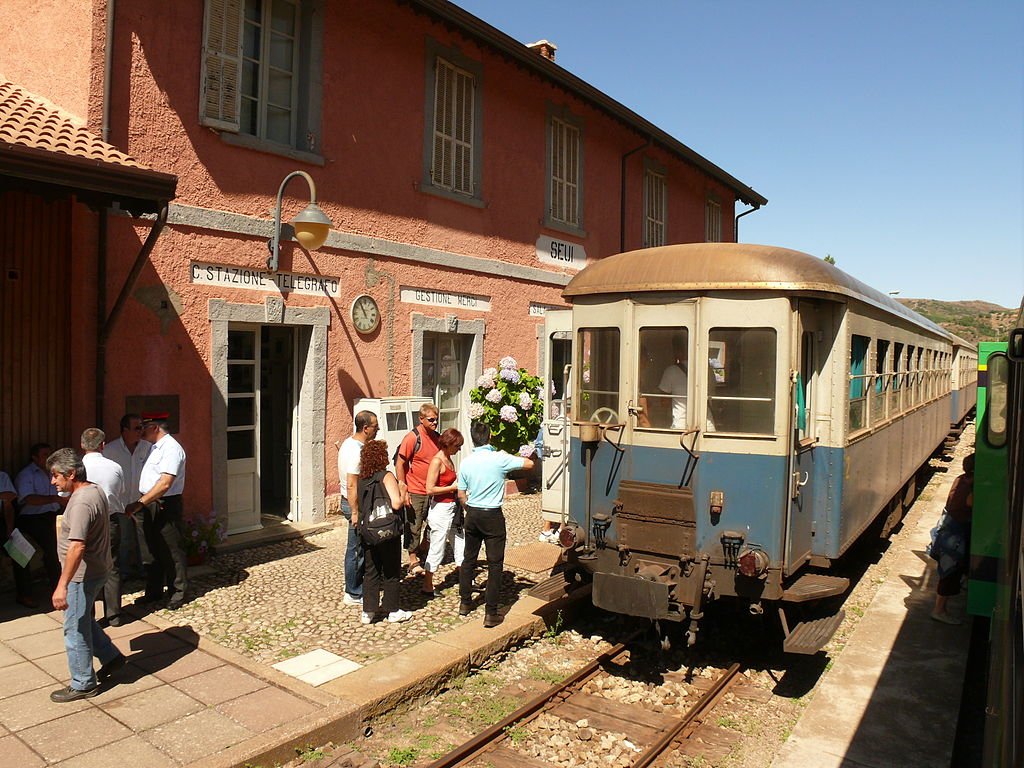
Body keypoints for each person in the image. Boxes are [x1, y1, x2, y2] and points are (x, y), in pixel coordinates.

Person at [46, 448, 126, 702]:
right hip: (97, 568)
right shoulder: (95, 489)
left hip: (82, 575)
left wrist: (62, 585)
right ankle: (112, 657)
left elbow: (77, 546)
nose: (53, 481)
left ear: (71, 474)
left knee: (75, 628)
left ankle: (83, 683)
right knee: (83, 619)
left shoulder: (81, 502)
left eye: (56, 475)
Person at [457, 422, 534, 628]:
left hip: (473, 512)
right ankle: (491, 612)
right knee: (495, 563)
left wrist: (469, 509)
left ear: (472, 438)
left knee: (468, 559)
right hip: (492, 514)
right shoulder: (499, 458)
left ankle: (465, 602)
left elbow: (461, 494)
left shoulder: (466, 462)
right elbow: (528, 464)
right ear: (490, 437)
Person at [126, 415, 188, 609]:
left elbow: (165, 483)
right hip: (149, 502)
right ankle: (154, 591)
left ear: (154, 427)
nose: (140, 431)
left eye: (142, 427)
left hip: (163, 503)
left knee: (171, 549)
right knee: (150, 549)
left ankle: (178, 592)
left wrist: (140, 503)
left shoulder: (171, 449)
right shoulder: (153, 448)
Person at [355, 440, 412, 624]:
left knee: (370, 570)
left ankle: (368, 611)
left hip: (368, 531)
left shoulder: (362, 479)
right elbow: (396, 503)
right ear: (381, 457)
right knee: (391, 570)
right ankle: (392, 610)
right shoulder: (386, 476)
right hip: (387, 529)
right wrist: (402, 490)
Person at [81, 428, 129, 626]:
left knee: (85, 567)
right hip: (110, 519)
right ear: (102, 445)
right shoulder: (114, 466)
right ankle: (114, 614)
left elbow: (64, 495)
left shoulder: (78, 467)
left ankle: (88, 614)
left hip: (85, 521)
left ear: (82, 444)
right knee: (112, 565)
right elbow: (121, 492)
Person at [13, 443, 67, 608]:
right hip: (31, 517)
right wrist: (54, 499)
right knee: (50, 546)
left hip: (53, 514)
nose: (49, 458)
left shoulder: (54, 472)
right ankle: (52, 590)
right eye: (45, 455)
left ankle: (62, 586)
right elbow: (28, 499)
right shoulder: (26, 475)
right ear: (34, 458)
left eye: (50, 454)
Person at [103, 413, 154, 578]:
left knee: (144, 538)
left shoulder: (148, 448)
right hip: (120, 504)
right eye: (137, 428)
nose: (141, 431)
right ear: (125, 430)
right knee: (123, 539)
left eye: (142, 427)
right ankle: (124, 574)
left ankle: (145, 571)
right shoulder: (109, 450)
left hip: (141, 501)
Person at [338, 410, 379, 607]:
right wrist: (355, 512)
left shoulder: (349, 443)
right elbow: (352, 483)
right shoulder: (356, 451)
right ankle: (353, 592)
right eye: (375, 427)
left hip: (351, 502)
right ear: (365, 428)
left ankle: (359, 585)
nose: (377, 430)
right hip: (354, 503)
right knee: (356, 550)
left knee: (359, 547)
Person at [395, 403, 442, 576]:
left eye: (436, 419)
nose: (435, 422)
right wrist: (403, 487)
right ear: (421, 419)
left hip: (433, 490)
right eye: (431, 419)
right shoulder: (412, 438)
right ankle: (413, 559)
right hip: (416, 490)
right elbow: (400, 463)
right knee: (414, 525)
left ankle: (424, 546)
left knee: (435, 522)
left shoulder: (437, 437)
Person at [930, 452, 974, 625]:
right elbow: (972, 504)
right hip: (955, 535)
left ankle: (941, 608)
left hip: (951, 531)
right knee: (950, 572)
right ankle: (939, 610)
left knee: (951, 570)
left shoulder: (961, 479)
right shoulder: (970, 488)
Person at [422, 428, 465, 595]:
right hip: (440, 510)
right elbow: (429, 489)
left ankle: (465, 579)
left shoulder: (448, 458)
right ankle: (427, 584)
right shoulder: (437, 461)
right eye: (457, 446)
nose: (459, 449)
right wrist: (452, 487)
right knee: (437, 547)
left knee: (460, 543)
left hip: (453, 508)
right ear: (448, 444)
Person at [657, 332, 689, 429]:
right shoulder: (708, 370)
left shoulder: (671, 371)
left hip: (681, 426)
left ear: (677, 351)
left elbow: (664, 403)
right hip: (708, 425)